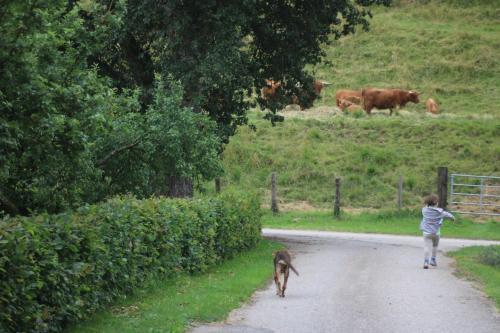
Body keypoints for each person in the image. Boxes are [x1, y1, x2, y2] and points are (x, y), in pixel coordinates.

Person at [419, 194, 455, 269]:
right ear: (436, 203)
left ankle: (426, 262)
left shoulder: (424, 210)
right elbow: (447, 215)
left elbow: (426, 207)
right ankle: (433, 260)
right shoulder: (440, 212)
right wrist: (452, 218)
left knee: (426, 246)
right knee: (435, 246)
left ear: (427, 202)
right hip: (436, 233)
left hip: (426, 232)